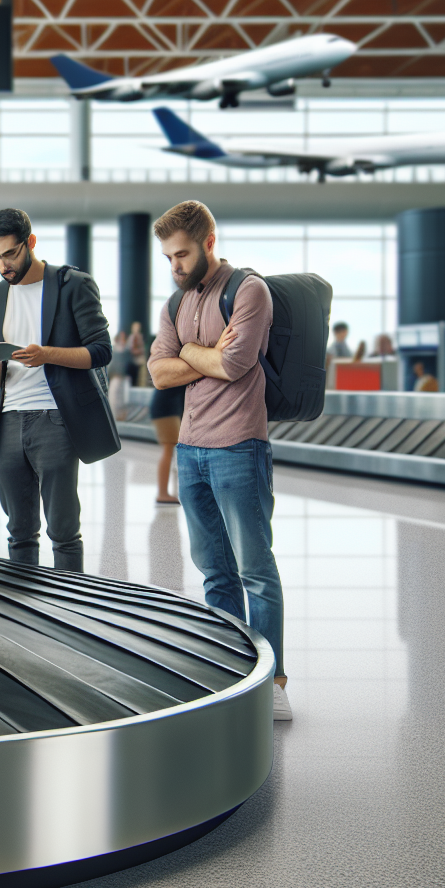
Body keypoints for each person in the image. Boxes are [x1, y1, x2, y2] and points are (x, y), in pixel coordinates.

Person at [147, 200, 289, 722]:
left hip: (239, 447)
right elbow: (157, 373)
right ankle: (233, 675)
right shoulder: (175, 302)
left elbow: (236, 364)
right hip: (191, 450)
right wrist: (196, 356)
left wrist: (187, 353)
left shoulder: (248, 290)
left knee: (255, 570)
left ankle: (273, 681)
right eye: (168, 258)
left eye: (182, 254)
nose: (175, 266)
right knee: (214, 574)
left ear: (208, 243)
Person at [0, 209, 118, 573]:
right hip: (6, 421)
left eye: (10, 254)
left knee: (63, 530)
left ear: (30, 243)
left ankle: (70, 613)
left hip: (56, 418)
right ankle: (27, 615)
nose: (3, 265)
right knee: (19, 531)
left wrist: (46, 354)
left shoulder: (72, 285)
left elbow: (101, 351)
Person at [151, 383, 185, 505]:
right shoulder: (176, 370)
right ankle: (162, 493)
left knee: (169, 450)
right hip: (166, 411)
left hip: (166, 410)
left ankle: (165, 492)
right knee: (168, 449)